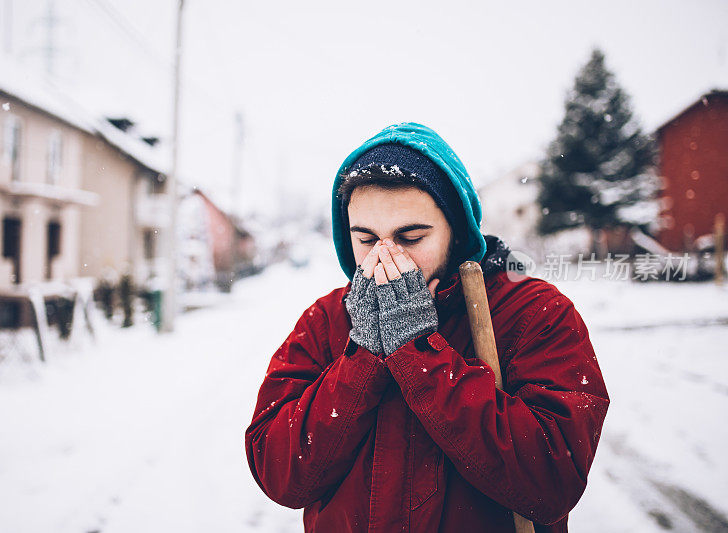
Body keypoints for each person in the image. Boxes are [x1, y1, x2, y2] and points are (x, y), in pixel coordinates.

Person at [245, 122, 609, 532]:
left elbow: (552, 481)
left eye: (412, 236)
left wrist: (418, 350)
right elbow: (279, 474)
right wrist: (363, 355)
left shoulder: (534, 313)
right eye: (365, 238)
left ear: (457, 230)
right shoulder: (327, 320)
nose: (385, 256)